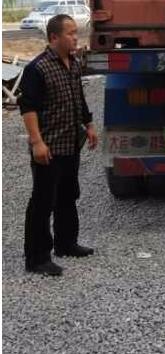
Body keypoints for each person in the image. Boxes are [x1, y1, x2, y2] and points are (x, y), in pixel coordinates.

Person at [18, 14, 98, 276]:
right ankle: (37, 257)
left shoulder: (73, 64)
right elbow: (28, 108)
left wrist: (89, 125)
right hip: (49, 147)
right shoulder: (37, 68)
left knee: (68, 194)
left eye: (76, 32)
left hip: (70, 144)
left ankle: (66, 243)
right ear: (54, 37)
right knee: (43, 201)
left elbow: (79, 98)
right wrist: (37, 142)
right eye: (70, 33)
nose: (76, 37)